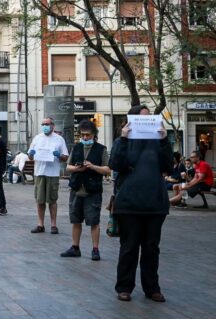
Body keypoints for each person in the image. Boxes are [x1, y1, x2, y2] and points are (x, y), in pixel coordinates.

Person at [109, 104, 172, 302]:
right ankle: (124, 287)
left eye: (149, 118)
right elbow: (115, 164)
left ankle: (152, 288)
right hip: (129, 204)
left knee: (151, 248)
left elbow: (168, 166)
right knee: (129, 247)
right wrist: (123, 138)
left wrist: (164, 141)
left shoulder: (158, 142)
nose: (147, 121)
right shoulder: (124, 141)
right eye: (142, 118)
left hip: (155, 204)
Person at [61, 120, 111, 260]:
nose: (85, 138)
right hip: (76, 189)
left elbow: (107, 170)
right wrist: (77, 169)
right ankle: (75, 247)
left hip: (92, 191)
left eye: (87, 135)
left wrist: (93, 167)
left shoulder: (101, 149)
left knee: (93, 221)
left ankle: (95, 249)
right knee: (75, 220)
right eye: (82, 135)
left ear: (94, 135)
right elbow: (68, 167)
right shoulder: (76, 148)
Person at [27, 117, 69, 234]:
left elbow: (65, 157)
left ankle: (53, 225)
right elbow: (30, 156)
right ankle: (40, 224)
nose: (45, 126)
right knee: (40, 200)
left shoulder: (59, 139)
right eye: (43, 124)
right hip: (39, 173)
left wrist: (58, 155)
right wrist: (31, 154)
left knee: (52, 200)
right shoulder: (37, 138)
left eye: (47, 124)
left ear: (52, 126)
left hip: (53, 173)